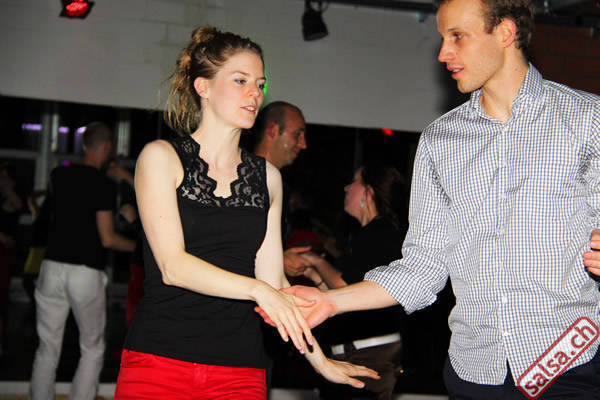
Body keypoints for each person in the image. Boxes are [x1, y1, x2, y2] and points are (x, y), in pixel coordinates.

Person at [259, 0, 600, 398]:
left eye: (458, 36)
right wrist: (331, 301)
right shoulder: (440, 142)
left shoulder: (586, 120)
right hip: (476, 373)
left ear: (505, 33)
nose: (443, 53)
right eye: (442, 38)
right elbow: (422, 269)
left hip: (569, 364)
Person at [114, 26, 378, 400]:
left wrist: (320, 361)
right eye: (240, 81)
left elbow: (274, 284)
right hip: (160, 361)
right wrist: (257, 290)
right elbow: (173, 266)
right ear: (203, 87)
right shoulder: (161, 157)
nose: (255, 93)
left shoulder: (267, 178)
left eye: (260, 83)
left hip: (239, 370)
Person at [29, 122, 136, 400]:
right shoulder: (103, 185)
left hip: (52, 267)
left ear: (84, 144)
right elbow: (108, 239)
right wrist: (138, 248)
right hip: (84, 271)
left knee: (47, 348)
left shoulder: (58, 175)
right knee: (92, 348)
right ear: (107, 147)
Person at [301, 164, 407, 400]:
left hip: (369, 351)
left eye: (354, 181)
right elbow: (341, 293)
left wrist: (316, 260)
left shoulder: (380, 233)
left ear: (369, 191)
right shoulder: (368, 234)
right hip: (361, 350)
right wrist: (313, 273)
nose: (347, 188)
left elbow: (344, 287)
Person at [253, 101, 314, 278]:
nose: (303, 144)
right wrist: (280, 260)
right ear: (272, 131)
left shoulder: (280, 186)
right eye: (297, 134)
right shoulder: (243, 180)